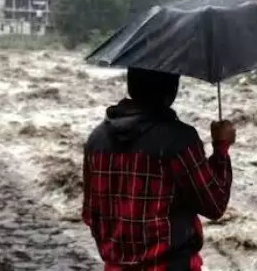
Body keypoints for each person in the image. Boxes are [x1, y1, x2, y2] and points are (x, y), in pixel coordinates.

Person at [82, 68, 235, 270]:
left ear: (131, 85)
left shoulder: (96, 139)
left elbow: (90, 214)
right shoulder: (179, 140)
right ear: (171, 90)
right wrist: (221, 148)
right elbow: (215, 204)